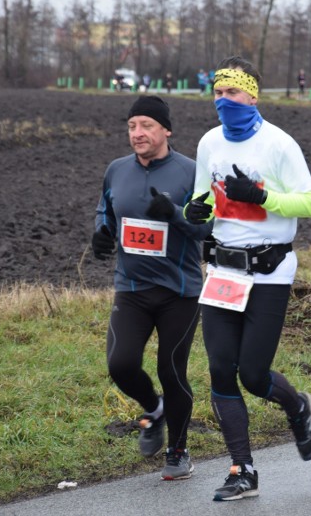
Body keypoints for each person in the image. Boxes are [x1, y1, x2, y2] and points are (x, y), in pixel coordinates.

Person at [184, 55, 311, 502]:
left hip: (269, 271)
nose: (224, 101)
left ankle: (298, 406)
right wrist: (194, 211)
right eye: (217, 93)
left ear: (253, 95)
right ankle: (242, 469)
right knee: (221, 369)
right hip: (222, 271)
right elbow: (202, 195)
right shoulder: (209, 143)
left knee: (253, 373)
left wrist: (263, 196)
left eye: (232, 92)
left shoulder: (279, 145)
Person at [92, 95, 213, 481]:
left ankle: (178, 451)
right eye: (131, 126)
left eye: (146, 125)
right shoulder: (116, 170)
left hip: (179, 291)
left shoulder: (191, 171)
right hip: (132, 288)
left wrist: (174, 215)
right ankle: (154, 409)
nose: (137, 133)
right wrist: (101, 235)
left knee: (171, 369)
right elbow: (105, 212)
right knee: (120, 364)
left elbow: (207, 229)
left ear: (166, 130)